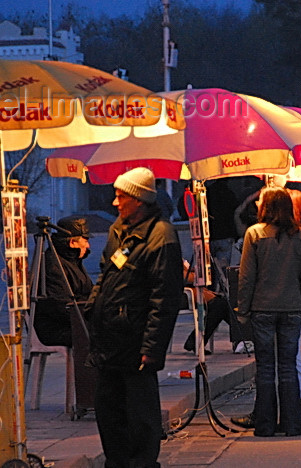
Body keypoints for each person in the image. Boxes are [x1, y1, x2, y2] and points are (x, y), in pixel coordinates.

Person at [87, 167, 183, 468]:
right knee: (109, 413)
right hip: (109, 341)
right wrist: (94, 304)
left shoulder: (161, 236)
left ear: (138, 199)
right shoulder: (119, 229)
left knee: (140, 416)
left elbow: (164, 298)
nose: (116, 203)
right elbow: (107, 272)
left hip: (137, 343)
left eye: (120, 197)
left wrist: (152, 349)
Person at [229, 189, 301, 432]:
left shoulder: (254, 234)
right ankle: (291, 422)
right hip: (292, 308)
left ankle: (266, 424)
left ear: (265, 208)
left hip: (262, 308)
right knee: (288, 365)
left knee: (266, 367)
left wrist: (243, 309)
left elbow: (247, 277)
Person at [33, 215, 93, 347]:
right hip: (56, 328)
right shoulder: (54, 264)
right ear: (72, 242)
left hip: (73, 319)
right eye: (85, 240)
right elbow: (60, 305)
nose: (88, 245)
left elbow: (88, 291)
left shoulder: (72, 260)